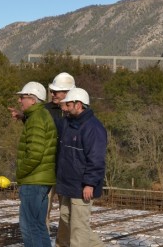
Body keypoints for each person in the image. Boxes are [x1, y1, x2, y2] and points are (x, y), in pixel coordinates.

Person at [55, 87, 106, 247]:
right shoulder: (69, 124)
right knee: (66, 218)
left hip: (82, 186)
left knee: (78, 228)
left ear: (79, 105)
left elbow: (96, 159)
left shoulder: (93, 128)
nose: (66, 108)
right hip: (68, 184)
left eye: (69, 105)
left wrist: (89, 183)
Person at [14, 81, 58, 247]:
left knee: (29, 227)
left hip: (33, 181)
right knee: (39, 226)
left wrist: (20, 173)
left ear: (33, 100)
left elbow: (35, 154)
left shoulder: (36, 119)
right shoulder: (41, 116)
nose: (20, 101)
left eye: (22, 97)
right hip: (42, 180)